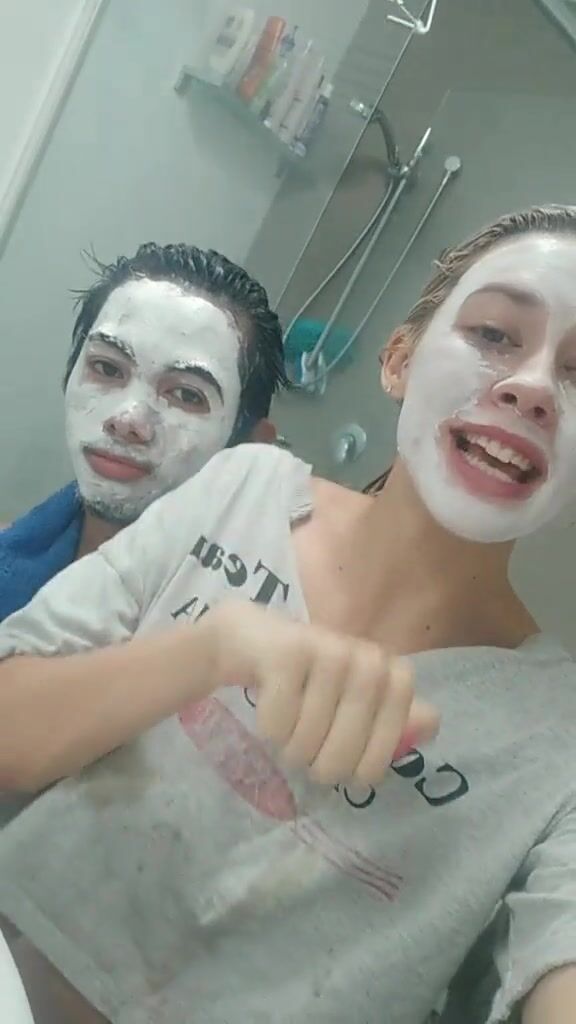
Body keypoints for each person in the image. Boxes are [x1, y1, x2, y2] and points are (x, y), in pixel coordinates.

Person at [1, 205, 576, 1024]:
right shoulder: (243, 487)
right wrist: (211, 650)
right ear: (399, 360)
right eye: (494, 334)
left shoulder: (560, 740)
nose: (533, 387)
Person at [0, 242, 285, 622]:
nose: (127, 420)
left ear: (249, 446)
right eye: (107, 368)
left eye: (186, 395)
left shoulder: (245, 637)